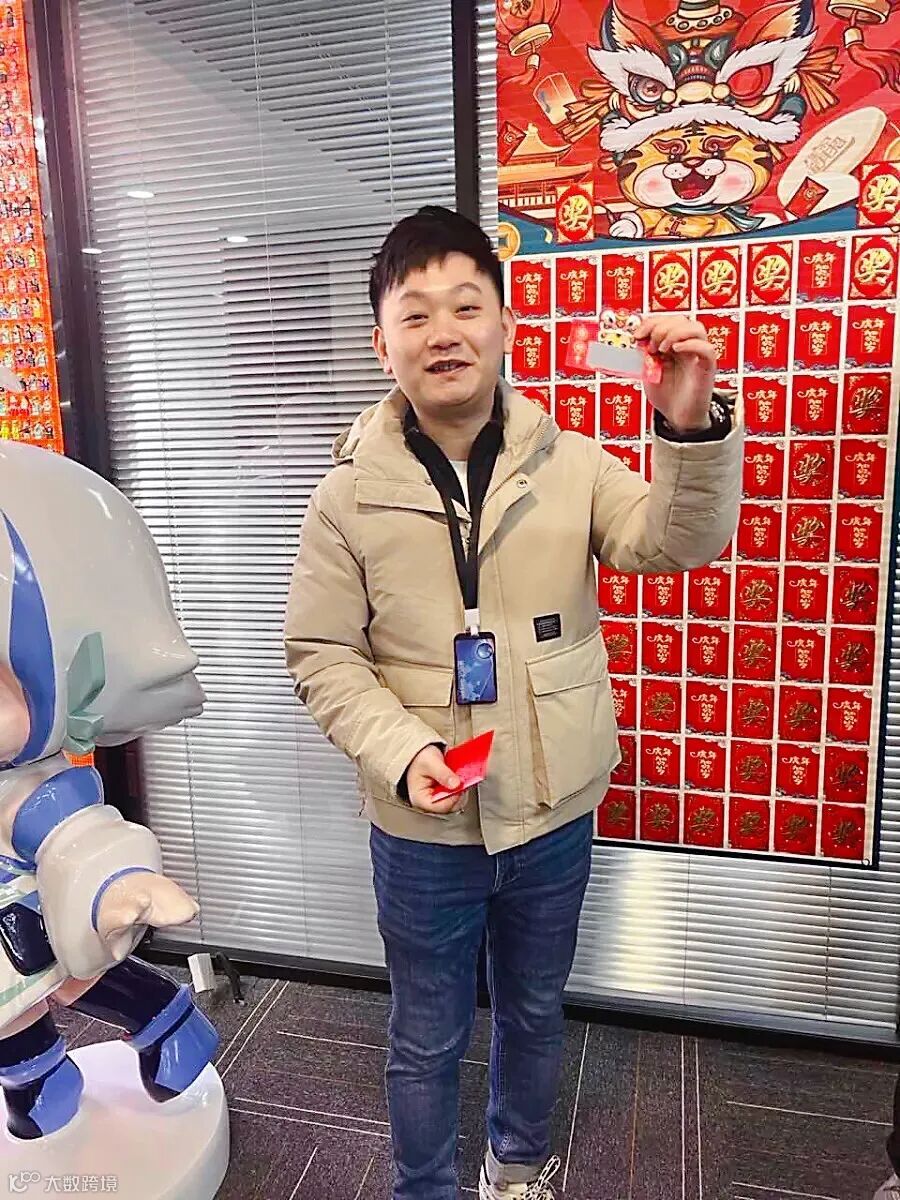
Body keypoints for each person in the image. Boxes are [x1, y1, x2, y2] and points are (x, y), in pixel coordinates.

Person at [284, 206, 743, 1200]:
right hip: (423, 824)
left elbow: (677, 542)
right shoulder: (345, 495)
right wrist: (402, 752)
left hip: (552, 807)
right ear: (381, 346)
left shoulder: (571, 464)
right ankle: (424, 1187)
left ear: (505, 326)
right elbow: (322, 653)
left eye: (466, 306)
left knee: (535, 1009)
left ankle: (519, 1164)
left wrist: (687, 424)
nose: (443, 331)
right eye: (414, 314)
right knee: (425, 1030)